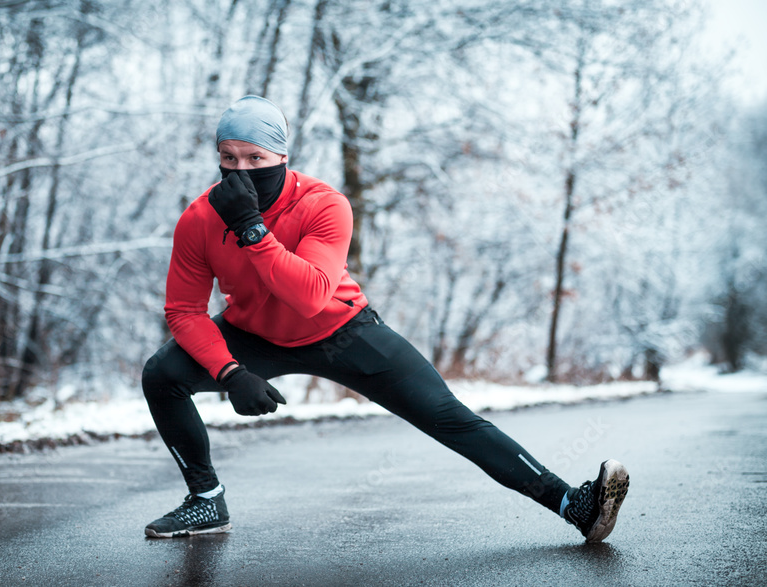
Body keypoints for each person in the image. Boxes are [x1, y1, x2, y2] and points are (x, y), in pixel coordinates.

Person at [141, 95, 629, 542]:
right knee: (161, 375)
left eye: (255, 159)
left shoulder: (323, 204)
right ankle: (206, 501)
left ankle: (574, 505)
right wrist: (230, 371)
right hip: (254, 334)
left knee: (450, 418)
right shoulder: (200, 218)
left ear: (282, 158)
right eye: (229, 158)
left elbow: (310, 295)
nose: (240, 170)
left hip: (341, 330)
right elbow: (183, 310)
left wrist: (252, 229)